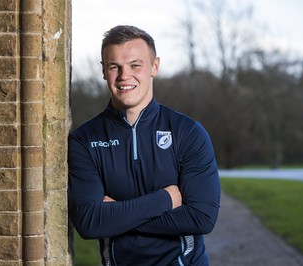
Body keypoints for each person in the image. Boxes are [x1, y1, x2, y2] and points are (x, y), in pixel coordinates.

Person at [68, 25, 220, 266]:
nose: (124, 76)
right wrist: (165, 200)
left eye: (135, 65)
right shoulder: (84, 140)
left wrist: (117, 214)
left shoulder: (187, 132)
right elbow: (89, 222)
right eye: (114, 66)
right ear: (103, 71)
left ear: (155, 67)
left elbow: (201, 217)